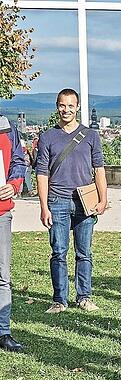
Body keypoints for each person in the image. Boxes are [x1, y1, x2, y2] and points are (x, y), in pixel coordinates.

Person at [36, 88, 108, 314]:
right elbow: (41, 173)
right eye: (62, 105)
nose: (66, 110)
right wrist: (44, 206)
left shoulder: (91, 136)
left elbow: (99, 170)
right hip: (57, 200)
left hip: (84, 202)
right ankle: (59, 299)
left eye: (70, 105)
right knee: (59, 251)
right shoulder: (47, 137)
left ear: (77, 107)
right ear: (57, 107)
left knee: (84, 252)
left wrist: (103, 198)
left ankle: (84, 296)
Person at [0, 115, 26, 352]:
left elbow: (19, 161)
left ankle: (3, 331)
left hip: (1, 212)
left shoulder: (7, 128)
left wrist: (14, 184)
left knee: (2, 275)